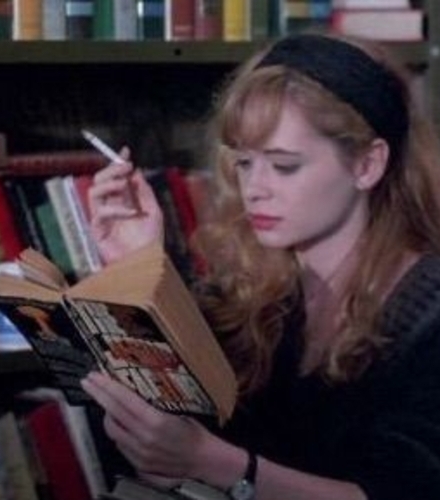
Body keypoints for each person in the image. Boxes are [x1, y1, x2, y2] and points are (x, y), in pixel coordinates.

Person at [81, 33, 440, 500]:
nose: (255, 189)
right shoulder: (257, 293)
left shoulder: (429, 310)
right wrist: (137, 268)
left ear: (367, 165)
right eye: (245, 163)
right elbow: (161, 426)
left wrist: (213, 462)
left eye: (284, 166)